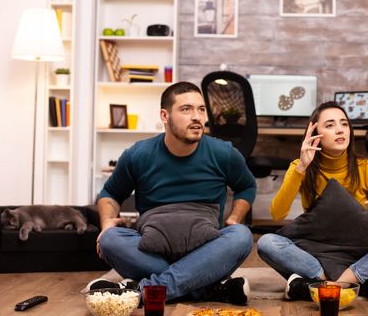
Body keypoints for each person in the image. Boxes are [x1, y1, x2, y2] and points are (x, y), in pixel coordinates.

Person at [86, 82, 257, 305]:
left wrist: (234, 219)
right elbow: (109, 193)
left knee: (241, 237)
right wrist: (107, 223)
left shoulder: (223, 153)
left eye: (201, 109)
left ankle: (140, 292)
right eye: (186, 109)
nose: (197, 117)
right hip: (153, 251)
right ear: (165, 116)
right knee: (109, 240)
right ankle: (206, 288)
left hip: (206, 249)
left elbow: (247, 186)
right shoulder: (138, 154)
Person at [257, 101, 368, 301]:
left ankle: (328, 285)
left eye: (344, 124)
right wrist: (300, 168)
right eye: (330, 125)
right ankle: (359, 285)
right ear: (315, 133)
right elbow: (277, 214)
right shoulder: (300, 167)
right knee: (267, 242)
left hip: (360, 254)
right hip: (316, 254)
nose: (340, 130)